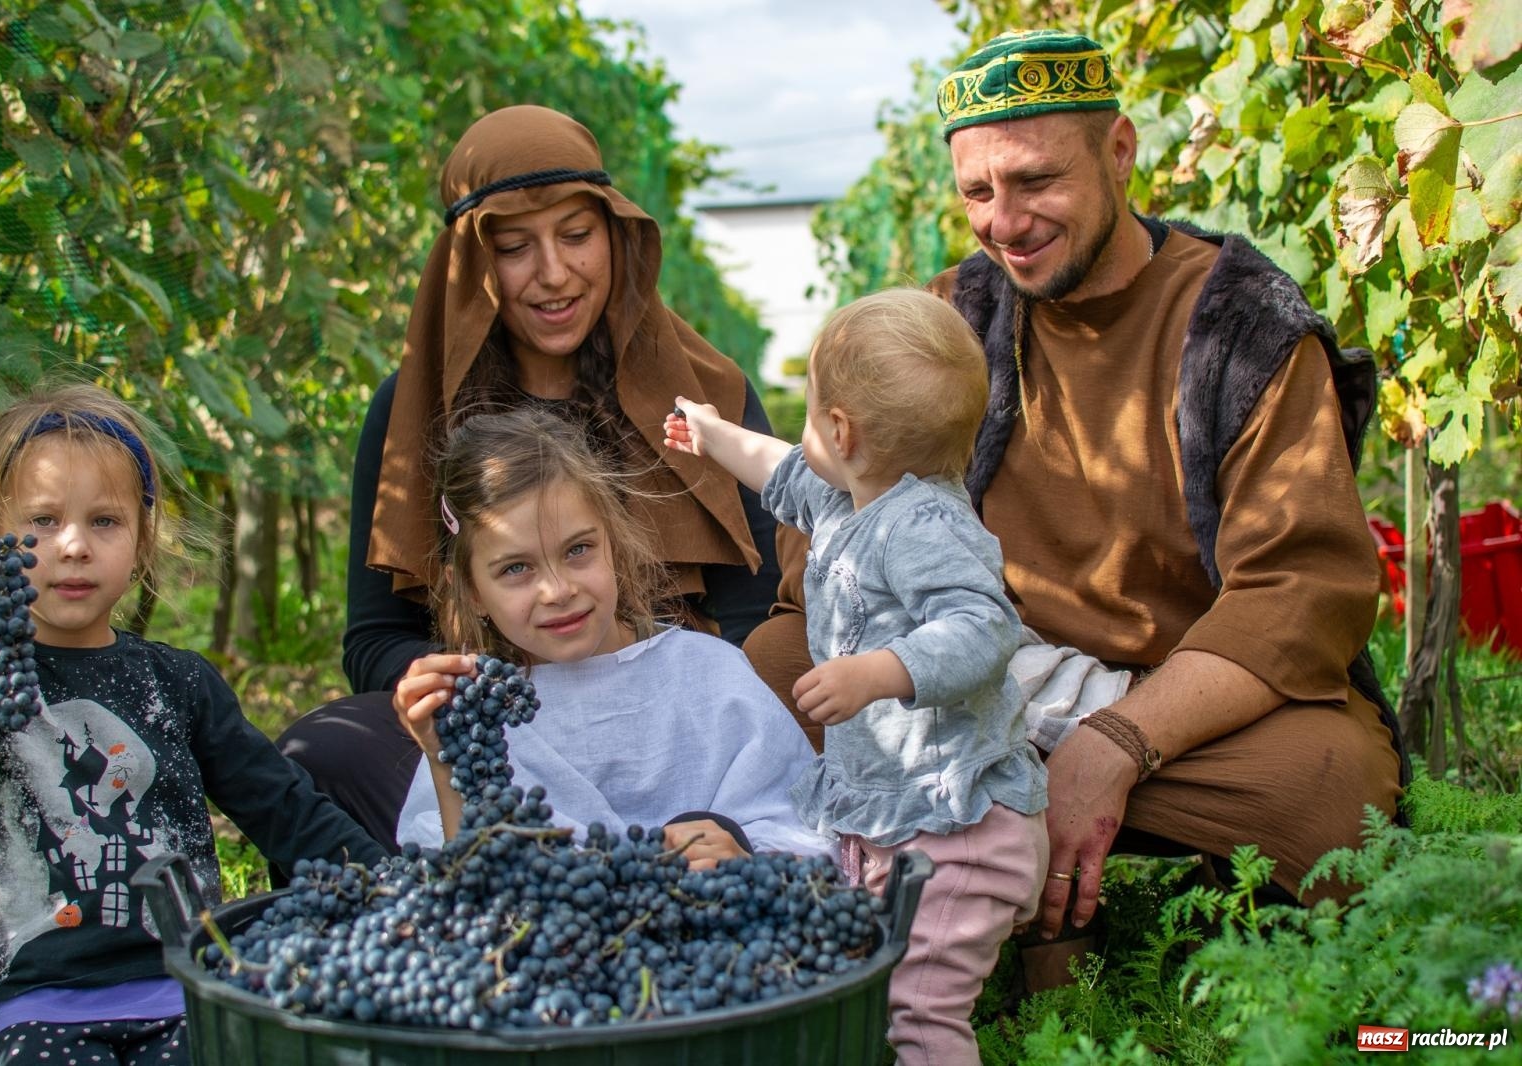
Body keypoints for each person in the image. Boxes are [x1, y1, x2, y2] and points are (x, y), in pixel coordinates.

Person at [743, 28, 1404, 956]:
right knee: (777, 666)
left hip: (1180, 707)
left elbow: (1297, 591)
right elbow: (846, 500)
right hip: (974, 682)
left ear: (1119, 151)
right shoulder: (954, 315)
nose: (1005, 222)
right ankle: (922, 878)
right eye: (978, 192)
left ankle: (982, 850)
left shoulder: (1241, 328)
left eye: (1036, 181)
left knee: (1327, 785)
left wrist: (1120, 740)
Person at [277, 105, 782, 852]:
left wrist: (648, 705)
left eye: (576, 236)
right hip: (504, 730)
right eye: (515, 248)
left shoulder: (706, 393)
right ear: (470, 267)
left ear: (615, 235)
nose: (554, 273)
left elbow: (756, 609)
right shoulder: (412, 408)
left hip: (678, 730)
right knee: (323, 750)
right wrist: (476, 693)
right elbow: (377, 637)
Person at [0, 384, 387, 1066]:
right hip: (32, 1002)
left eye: (104, 521)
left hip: (184, 989)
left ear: (142, 540)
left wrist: (391, 886)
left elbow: (282, 807)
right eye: (42, 520)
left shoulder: (179, 681)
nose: (74, 545)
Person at [666, 288, 1050, 1066]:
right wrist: (712, 435)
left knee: (916, 1011)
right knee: (872, 985)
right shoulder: (849, 494)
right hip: (900, 818)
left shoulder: (926, 527)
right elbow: (779, 469)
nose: (802, 433)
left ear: (840, 431)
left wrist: (879, 672)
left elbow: (984, 627)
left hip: (959, 832)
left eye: (810, 412)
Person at [394, 407, 827, 865]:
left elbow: (807, 835)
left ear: (613, 545)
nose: (558, 591)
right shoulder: (482, 722)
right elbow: (466, 880)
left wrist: (744, 855)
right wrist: (447, 760)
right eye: (516, 568)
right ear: (471, 591)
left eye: (578, 549)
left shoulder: (710, 676)